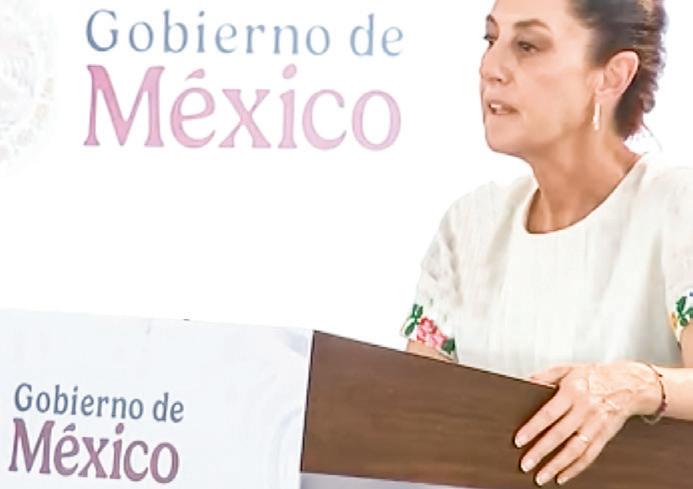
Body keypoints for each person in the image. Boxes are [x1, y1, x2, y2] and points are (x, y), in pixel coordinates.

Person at [401, 0, 693, 485]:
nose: (490, 67)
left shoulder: (678, 206)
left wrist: (634, 384)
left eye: (528, 45)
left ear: (613, 75)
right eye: (490, 39)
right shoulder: (469, 226)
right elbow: (410, 421)